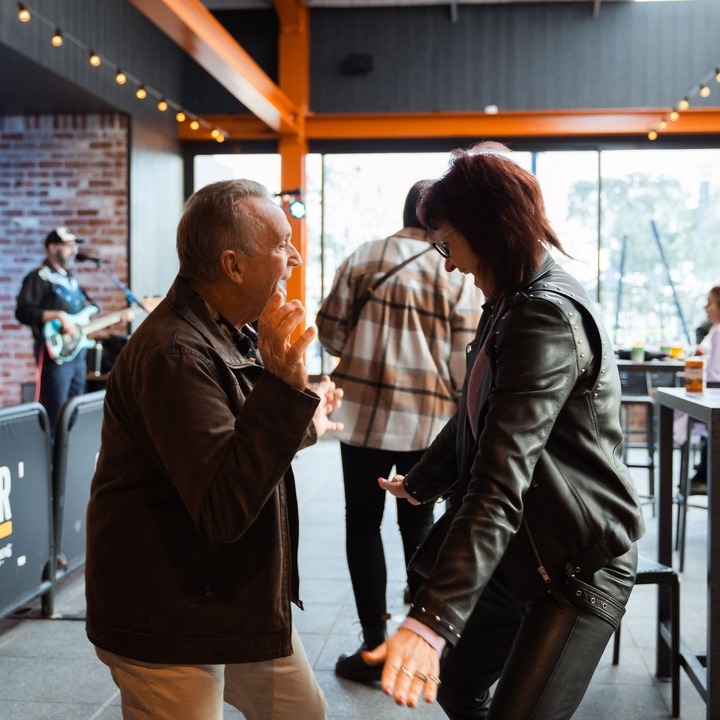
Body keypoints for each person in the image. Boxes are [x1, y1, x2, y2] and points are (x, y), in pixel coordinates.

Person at [361, 142, 646, 718]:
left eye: (446, 242)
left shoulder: (544, 315)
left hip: (576, 560)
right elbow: (482, 412)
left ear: (486, 229)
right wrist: (421, 481)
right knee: (460, 683)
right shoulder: (511, 298)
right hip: (526, 542)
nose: (447, 262)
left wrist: (430, 622)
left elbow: (500, 477)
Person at [85, 179, 343, 720]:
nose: (294, 257)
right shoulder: (176, 353)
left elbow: (241, 441)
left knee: (303, 713)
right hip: (167, 607)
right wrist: (283, 387)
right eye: (280, 244)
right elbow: (225, 505)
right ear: (233, 265)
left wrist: (300, 403)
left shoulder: (225, 331)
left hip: (229, 594)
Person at [316, 181, 482, 683]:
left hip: (361, 416)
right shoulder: (454, 271)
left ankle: (373, 646)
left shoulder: (364, 256)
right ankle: (423, 642)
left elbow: (330, 333)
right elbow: (464, 363)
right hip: (426, 424)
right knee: (420, 523)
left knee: (362, 524)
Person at [15, 227, 94, 431]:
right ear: (52, 247)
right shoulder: (39, 277)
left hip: (77, 353)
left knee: (74, 410)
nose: (75, 250)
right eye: (69, 246)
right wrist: (57, 315)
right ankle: (50, 461)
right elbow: (22, 312)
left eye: (75, 246)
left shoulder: (71, 280)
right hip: (54, 354)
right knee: (54, 411)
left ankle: (66, 459)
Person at [683, 284, 720, 493]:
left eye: (710, 304)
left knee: (695, 419)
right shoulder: (714, 331)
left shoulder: (717, 333)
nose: (706, 309)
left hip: (714, 395)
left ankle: (702, 476)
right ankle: (701, 472)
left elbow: (715, 373)